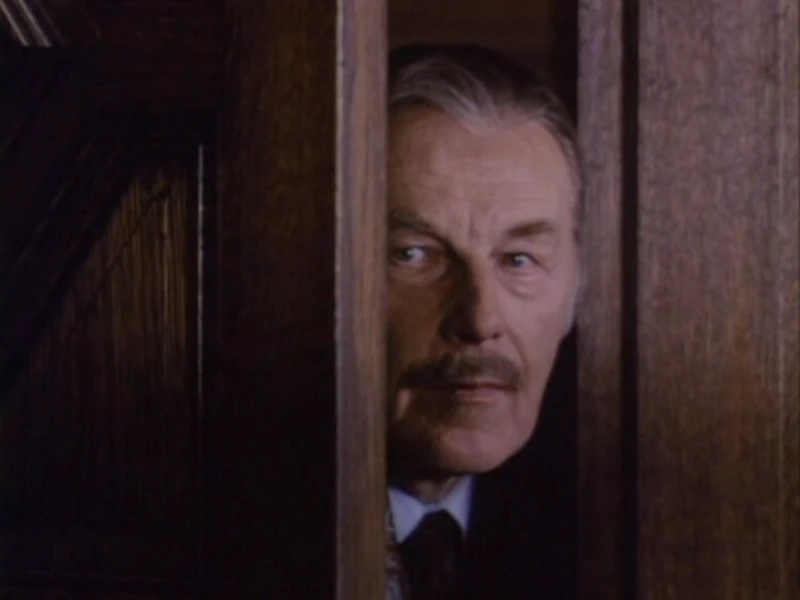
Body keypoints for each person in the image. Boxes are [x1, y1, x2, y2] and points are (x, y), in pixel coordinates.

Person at [386, 45, 582, 600]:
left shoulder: (604, 526)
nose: (479, 319)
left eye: (519, 259)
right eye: (414, 255)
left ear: (577, 289)